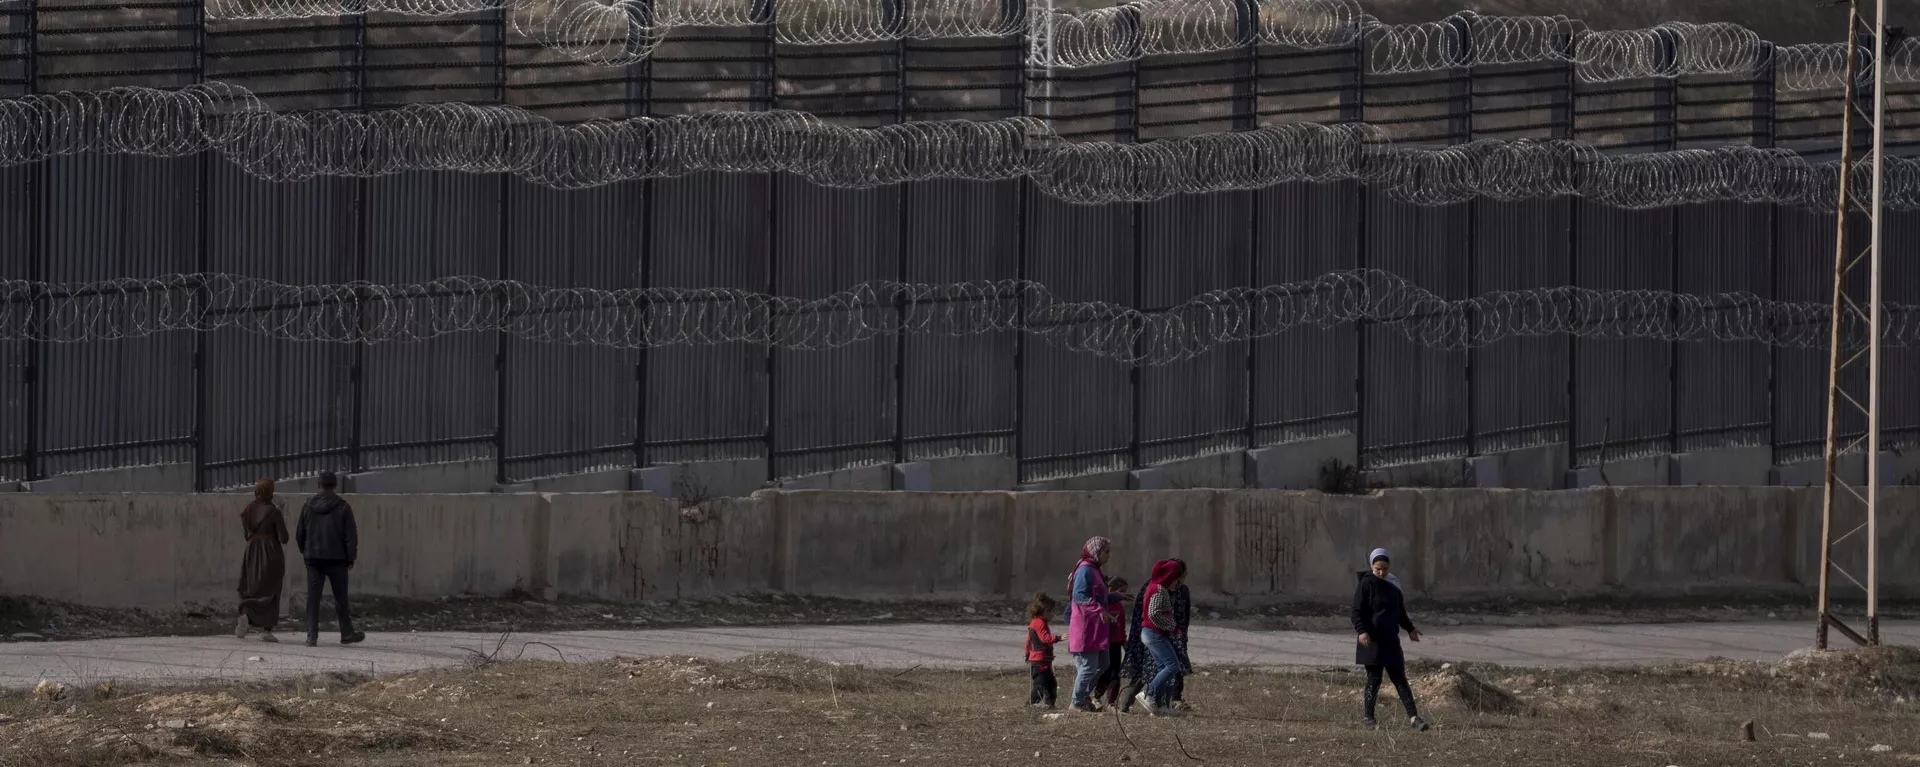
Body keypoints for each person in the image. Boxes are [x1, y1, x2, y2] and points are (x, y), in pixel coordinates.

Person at [1352, 548, 1428, 732]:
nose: (1381, 572)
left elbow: (1400, 613)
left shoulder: (1393, 585)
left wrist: (1410, 629)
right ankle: (1369, 718)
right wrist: (1362, 631)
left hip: (1390, 642)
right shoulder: (1366, 584)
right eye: (1378, 568)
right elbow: (1356, 612)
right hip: (1371, 642)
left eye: (1384, 568)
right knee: (1374, 680)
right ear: (1372, 566)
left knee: (1400, 680)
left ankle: (1414, 719)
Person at [296, 471, 365, 648]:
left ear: (319, 484)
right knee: (340, 598)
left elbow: (300, 534)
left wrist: (306, 553)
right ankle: (347, 633)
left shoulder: (308, 506)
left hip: (314, 560)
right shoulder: (343, 507)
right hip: (337, 560)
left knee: (313, 599)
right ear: (335, 485)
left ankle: (311, 637)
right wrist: (350, 559)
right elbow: (351, 536)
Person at [235, 479, 289, 643]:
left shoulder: (248, 509)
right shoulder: (274, 512)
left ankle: (245, 613)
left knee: (252, 585)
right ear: (270, 493)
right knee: (271, 589)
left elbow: (246, 534)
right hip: (270, 552)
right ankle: (266, 630)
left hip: (252, 551)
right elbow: (284, 538)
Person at [1064, 535, 1113, 712]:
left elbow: (1099, 595)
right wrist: (1099, 609)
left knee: (1103, 664)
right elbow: (1079, 596)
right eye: (1106, 552)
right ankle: (1076, 702)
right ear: (1096, 552)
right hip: (1085, 626)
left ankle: (1084, 696)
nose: (1109, 555)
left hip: (1096, 627)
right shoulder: (1085, 569)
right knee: (1088, 666)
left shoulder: (1095, 569)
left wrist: (1116, 597)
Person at [1132, 558, 1187, 716]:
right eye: (1176, 577)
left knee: (1162, 668)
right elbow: (1154, 613)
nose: (1177, 581)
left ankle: (1158, 705)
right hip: (1153, 634)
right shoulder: (1158, 589)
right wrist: (1173, 627)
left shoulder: (1156, 587)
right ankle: (1149, 695)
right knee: (1172, 666)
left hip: (1152, 633)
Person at [1091, 577, 1129, 708]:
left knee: (1115, 673)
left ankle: (1112, 702)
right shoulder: (1102, 606)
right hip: (1104, 643)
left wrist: (1124, 641)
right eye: (1122, 591)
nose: (1123, 595)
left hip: (1116, 643)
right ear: (1111, 590)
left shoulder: (1120, 608)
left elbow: (1121, 627)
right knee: (1104, 671)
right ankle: (1096, 697)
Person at [1024, 592, 1062, 709]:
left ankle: (1050, 704)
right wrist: (1058, 638)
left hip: (1042, 659)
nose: (1053, 615)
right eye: (1051, 612)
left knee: (1050, 683)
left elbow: (1028, 642)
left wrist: (1027, 654)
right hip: (1039, 660)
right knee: (1040, 685)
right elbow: (1044, 638)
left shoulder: (1037, 622)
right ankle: (1030, 705)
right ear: (1044, 611)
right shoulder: (1039, 623)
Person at [1167, 558, 1194, 710]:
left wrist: (1183, 634)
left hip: (1178, 634)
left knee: (1177, 666)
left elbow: (1186, 614)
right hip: (1163, 634)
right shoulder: (1161, 589)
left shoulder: (1183, 590)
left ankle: (1176, 697)